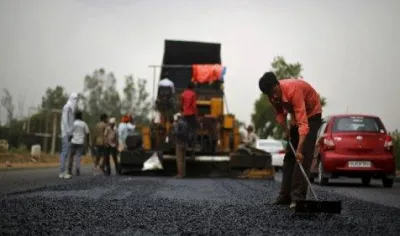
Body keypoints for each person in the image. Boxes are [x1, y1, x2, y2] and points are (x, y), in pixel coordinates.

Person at [258, 71, 322, 209]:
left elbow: (304, 124)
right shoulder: (272, 95)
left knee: (302, 156)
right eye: (270, 94)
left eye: (275, 91)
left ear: (278, 84)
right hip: (296, 113)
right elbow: (280, 114)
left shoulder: (294, 90)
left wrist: (299, 150)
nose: (274, 96)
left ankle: (297, 198)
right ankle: (284, 196)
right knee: (289, 157)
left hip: (312, 114)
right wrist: (286, 131)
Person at [59, 92, 78, 179]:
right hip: (66, 133)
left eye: (76, 99)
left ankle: (63, 171)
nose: (76, 101)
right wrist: (69, 132)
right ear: (71, 98)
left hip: (68, 133)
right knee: (65, 152)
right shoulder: (67, 107)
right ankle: (62, 172)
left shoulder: (70, 107)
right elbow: (65, 121)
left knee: (66, 153)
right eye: (74, 99)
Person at [67, 110, 90, 177]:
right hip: (81, 142)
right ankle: (77, 169)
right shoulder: (84, 123)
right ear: (81, 116)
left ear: (75, 116)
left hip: (73, 141)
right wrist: (87, 141)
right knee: (78, 156)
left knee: (71, 156)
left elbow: (70, 133)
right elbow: (88, 133)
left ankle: (69, 170)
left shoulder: (73, 123)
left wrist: (69, 139)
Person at [181, 82, 198, 155]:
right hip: (191, 115)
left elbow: (181, 105)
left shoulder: (183, 94)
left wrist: (182, 112)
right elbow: (194, 106)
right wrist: (196, 114)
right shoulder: (193, 94)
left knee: (185, 130)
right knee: (193, 130)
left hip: (185, 115)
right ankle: (192, 146)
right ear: (192, 87)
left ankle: (185, 144)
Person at [172, 113, 189, 178]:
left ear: (178, 117)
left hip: (179, 143)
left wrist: (174, 126)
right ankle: (183, 174)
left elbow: (176, 133)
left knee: (179, 159)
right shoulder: (186, 124)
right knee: (183, 159)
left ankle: (180, 174)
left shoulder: (178, 124)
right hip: (185, 143)